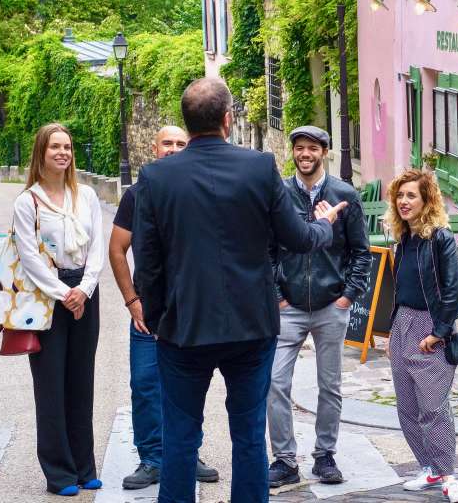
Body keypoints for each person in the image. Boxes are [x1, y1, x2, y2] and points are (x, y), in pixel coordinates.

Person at [131, 78, 347, 503]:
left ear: (187, 123)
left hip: (184, 328)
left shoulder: (155, 176)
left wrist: (155, 318)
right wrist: (325, 225)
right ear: (228, 119)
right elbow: (298, 238)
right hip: (251, 325)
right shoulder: (259, 167)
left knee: (180, 437)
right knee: (248, 437)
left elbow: (147, 261)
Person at [108, 126, 220, 490]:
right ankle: (153, 459)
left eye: (180, 144)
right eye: (167, 144)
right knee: (145, 384)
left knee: (190, 386)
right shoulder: (138, 194)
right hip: (148, 312)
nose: (173, 150)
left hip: (190, 309)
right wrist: (131, 300)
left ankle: (189, 453)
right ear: (154, 148)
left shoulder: (199, 188)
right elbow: (117, 248)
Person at [267, 125, 371, 488]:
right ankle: (283, 459)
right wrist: (276, 294)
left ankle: (325, 455)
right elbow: (267, 248)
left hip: (330, 305)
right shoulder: (279, 193)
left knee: (330, 385)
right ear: (292, 152)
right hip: (289, 305)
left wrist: (347, 296)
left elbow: (360, 251)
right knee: (275, 382)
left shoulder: (344, 194)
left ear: (324, 152)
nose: (305, 154)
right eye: (299, 148)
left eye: (312, 148)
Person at [12, 123, 106, 496]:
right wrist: (63, 293)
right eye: (55, 147)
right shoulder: (27, 202)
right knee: (51, 385)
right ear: (41, 153)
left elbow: (97, 247)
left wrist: (83, 290)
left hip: (85, 291)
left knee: (82, 381)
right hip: (46, 297)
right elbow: (29, 257)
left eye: (67, 147)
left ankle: (85, 467)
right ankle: (60, 473)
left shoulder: (86, 196)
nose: (63, 153)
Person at [383, 169, 458, 503]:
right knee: (407, 406)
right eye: (400, 196)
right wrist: (391, 332)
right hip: (402, 324)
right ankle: (429, 468)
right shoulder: (403, 239)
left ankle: (448, 475)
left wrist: (439, 333)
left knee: (433, 408)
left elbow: (454, 290)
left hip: (430, 329)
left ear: (426, 200)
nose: (404, 202)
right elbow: (400, 290)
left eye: (411, 196)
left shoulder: (441, 238)